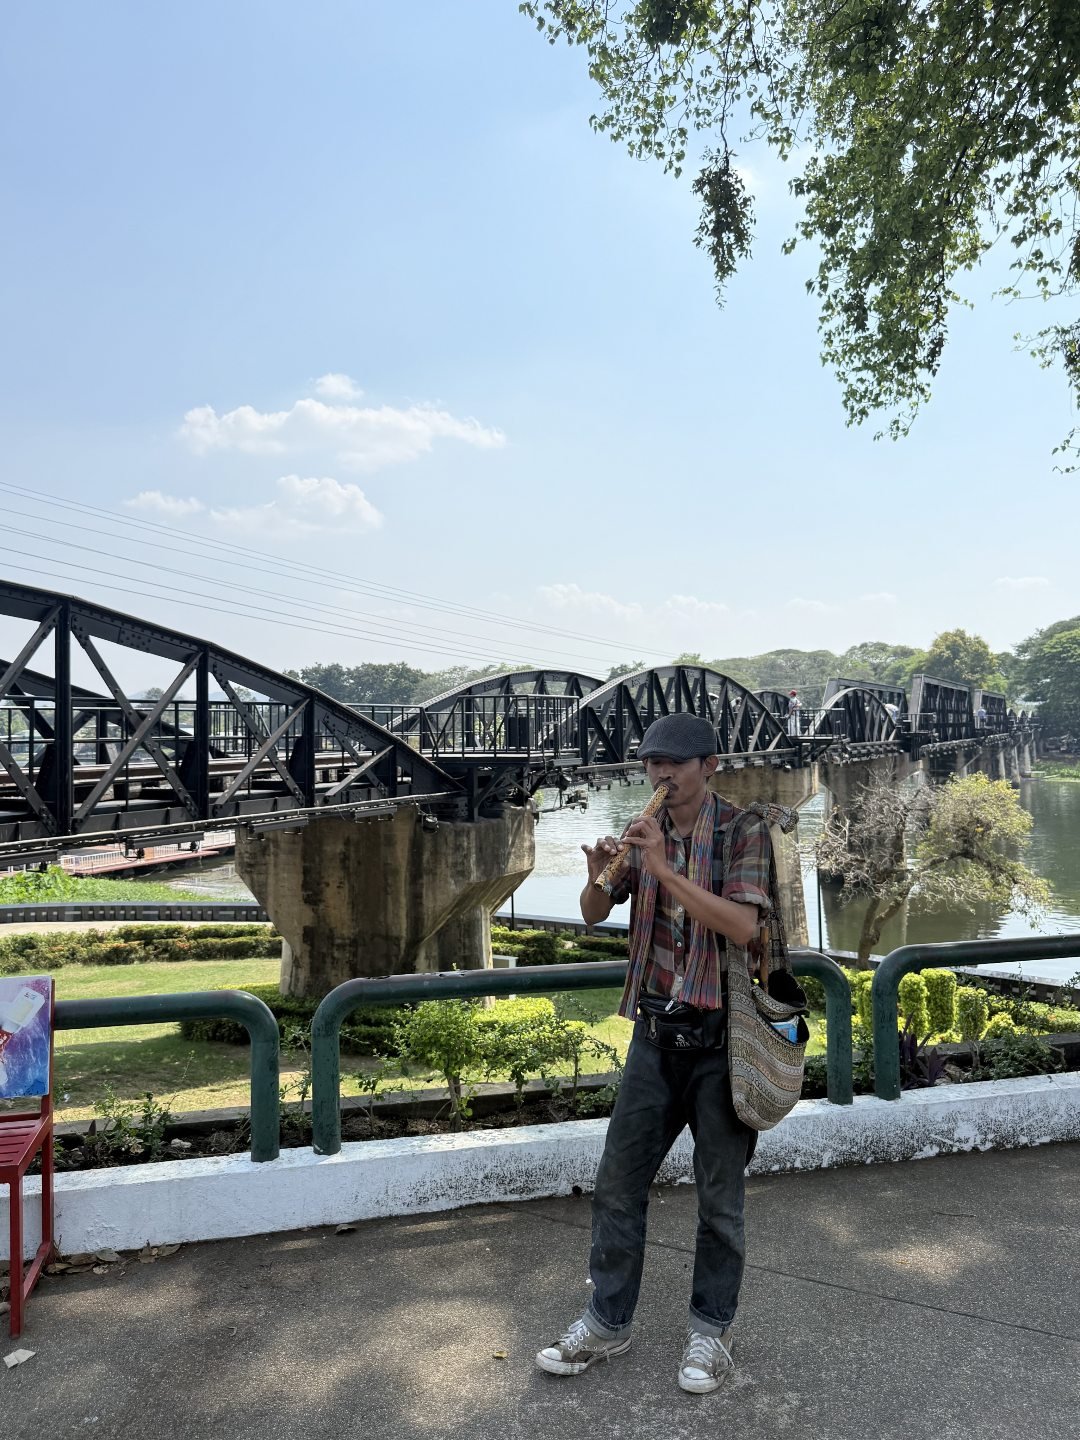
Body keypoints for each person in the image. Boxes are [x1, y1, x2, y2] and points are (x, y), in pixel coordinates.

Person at [536, 713, 771, 1395]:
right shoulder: (646, 836)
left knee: (719, 1201)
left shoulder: (742, 830)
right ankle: (607, 1321)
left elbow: (742, 926)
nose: (661, 776)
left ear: (710, 766)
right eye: (651, 765)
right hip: (653, 1037)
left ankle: (709, 1332)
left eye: (675, 763)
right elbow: (590, 913)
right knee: (617, 1185)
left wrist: (662, 869)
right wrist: (594, 876)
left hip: (722, 1042)